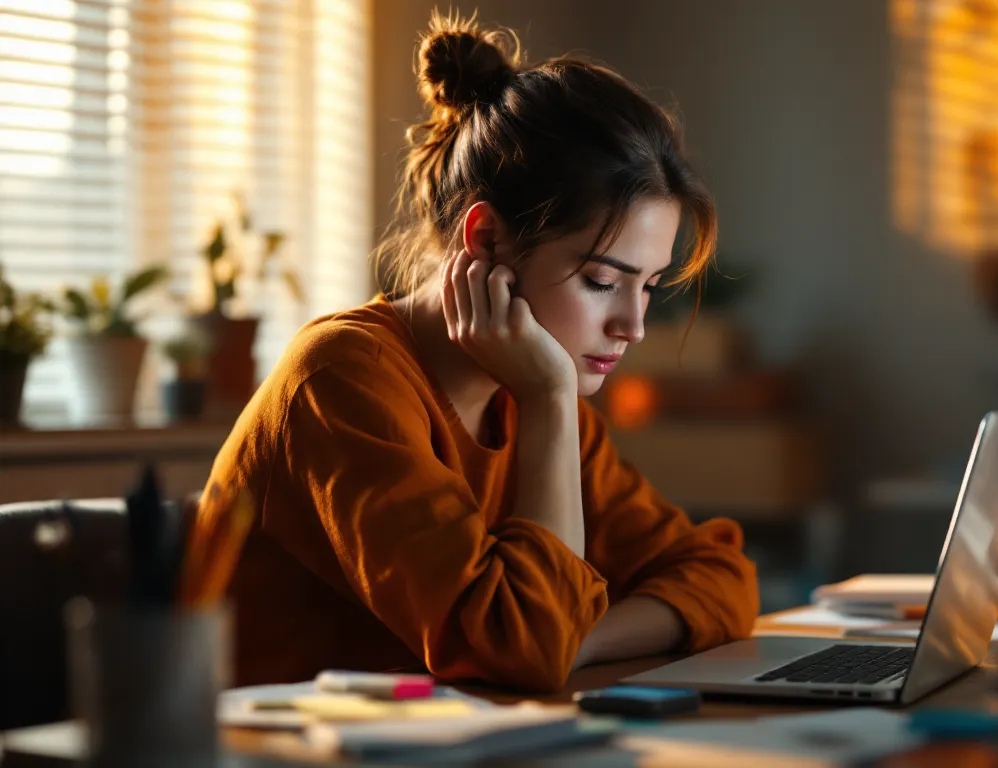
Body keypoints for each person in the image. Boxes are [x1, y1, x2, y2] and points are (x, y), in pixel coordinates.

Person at [196, 10, 759, 692]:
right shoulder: (343, 381)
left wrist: (575, 641)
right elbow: (516, 652)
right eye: (603, 282)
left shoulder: (529, 393)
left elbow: (720, 578)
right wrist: (551, 400)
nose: (632, 326)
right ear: (487, 240)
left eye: (648, 288)